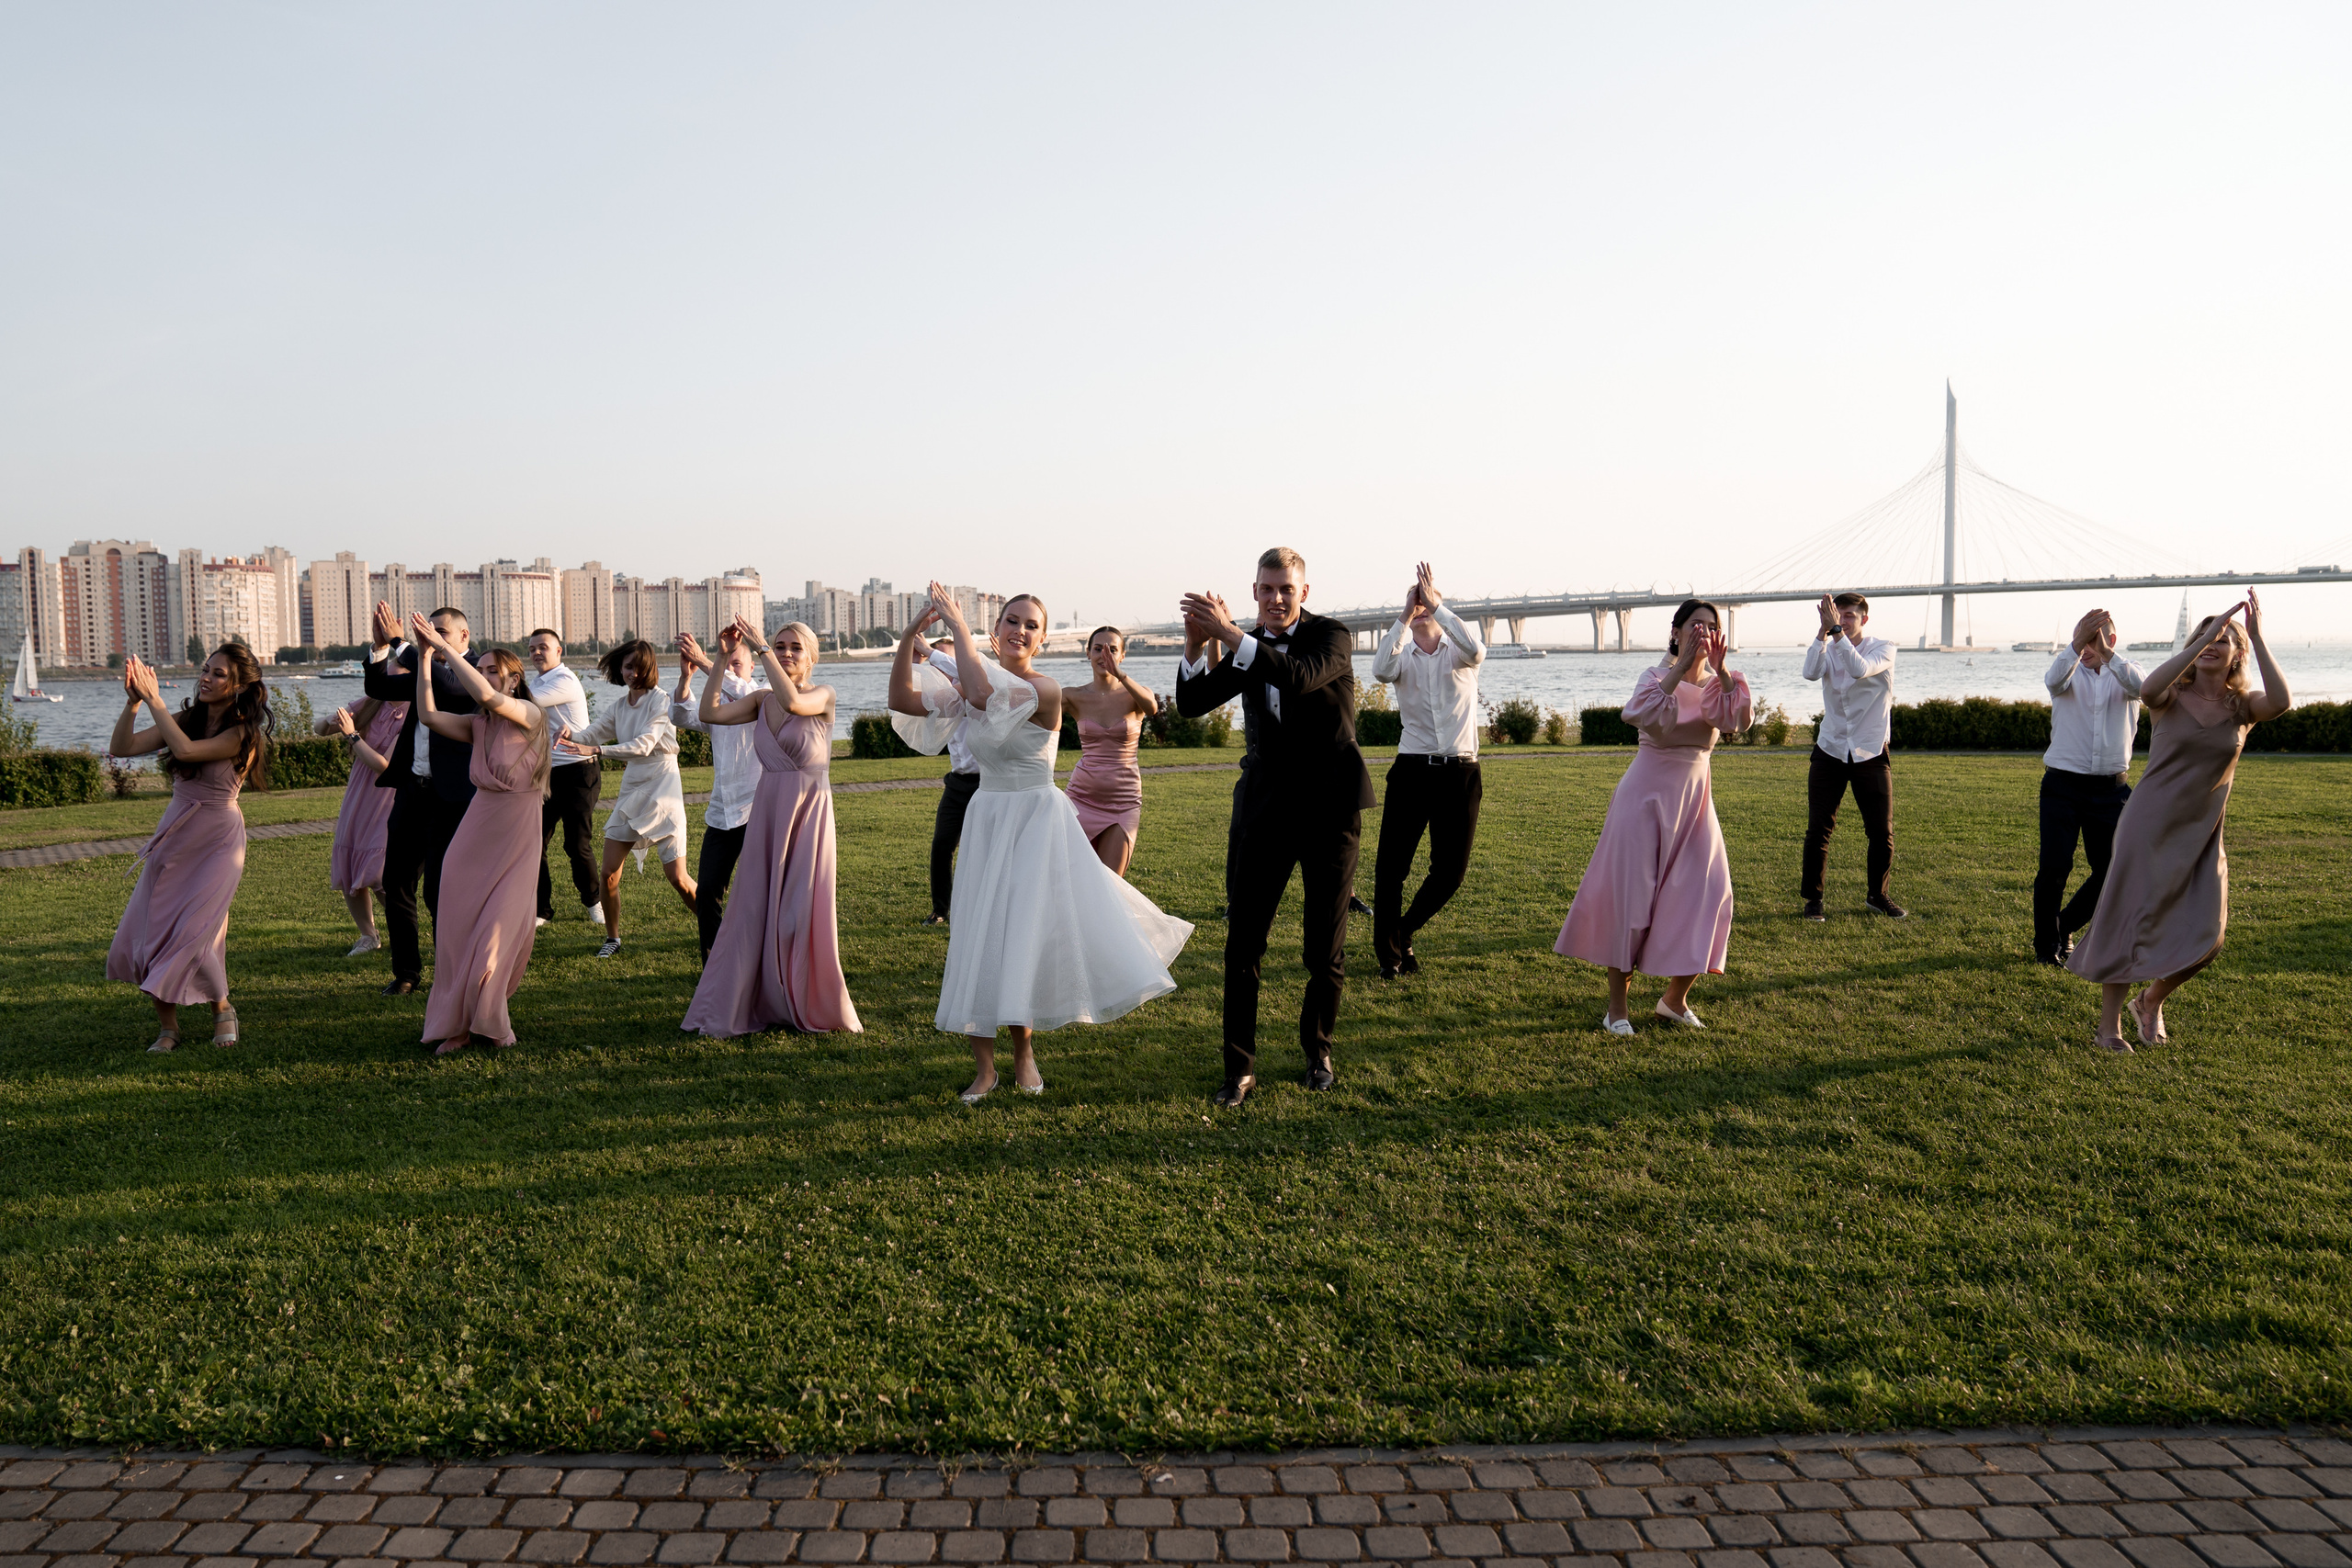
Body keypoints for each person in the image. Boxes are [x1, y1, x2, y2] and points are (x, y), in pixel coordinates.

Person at [891, 586, 1192, 1102]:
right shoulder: (971, 682)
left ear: (1043, 639)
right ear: (997, 631)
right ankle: (983, 1068)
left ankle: (1024, 1053)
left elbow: (988, 697)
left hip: (1035, 819)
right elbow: (902, 701)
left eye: (1031, 624)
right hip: (987, 817)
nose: (1020, 630)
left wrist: (957, 630)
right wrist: (906, 640)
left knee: (1023, 935)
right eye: (1011, 620)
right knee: (980, 933)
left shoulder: (1044, 691)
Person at [1175, 547, 1374, 1106]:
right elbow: (1192, 703)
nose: (1276, 598)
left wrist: (1232, 636)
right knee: (1242, 944)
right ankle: (1239, 1069)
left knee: (1322, 949)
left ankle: (1318, 1051)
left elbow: (1298, 676)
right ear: (1255, 592)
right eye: (1267, 589)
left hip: (1332, 809)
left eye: (1286, 589)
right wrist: (1196, 645)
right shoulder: (1250, 648)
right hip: (1264, 809)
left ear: (1303, 593)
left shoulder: (1332, 637)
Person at [2069, 595, 2290, 1053]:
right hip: (2147, 826)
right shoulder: (2170, 696)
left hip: (2203, 831)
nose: (2216, 642)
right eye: (2208, 636)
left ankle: (2150, 1001)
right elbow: (2148, 688)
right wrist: (2203, 639)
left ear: (2238, 655)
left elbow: (2283, 702)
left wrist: (2260, 636)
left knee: (2210, 933)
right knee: (2129, 921)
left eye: (2226, 638)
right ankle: (2107, 1029)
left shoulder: (2244, 706)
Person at [1555, 601, 1752, 1032]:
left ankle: (1673, 1001)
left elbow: (1736, 721)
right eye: (1694, 625)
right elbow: (1645, 715)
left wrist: (1719, 671)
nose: (1704, 632)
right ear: (1676, 631)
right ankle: (1617, 1010)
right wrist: (1680, 667)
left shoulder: (1726, 683)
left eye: (1712, 626)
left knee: (1711, 893)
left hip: (1696, 801)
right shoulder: (1653, 678)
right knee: (1630, 904)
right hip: (1644, 801)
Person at [681, 616, 862, 1037]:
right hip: (767, 812)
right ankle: (757, 997)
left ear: (812, 656)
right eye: (779, 646)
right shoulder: (761, 701)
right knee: (753, 912)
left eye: (794, 647)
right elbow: (708, 712)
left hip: (808, 815)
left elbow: (796, 705)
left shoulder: (823, 695)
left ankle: (802, 997)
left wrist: (760, 648)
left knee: (798, 913)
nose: (784, 653)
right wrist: (723, 660)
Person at [105, 645, 273, 1051]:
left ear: (239, 686)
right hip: (177, 832)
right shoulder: (187, 718)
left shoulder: (242, 733)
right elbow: (122, 749)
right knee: (158, 926)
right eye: (205, 670)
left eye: (218, 674)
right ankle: (168, 1028)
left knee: (198, 930)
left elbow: (186, 751)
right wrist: (133, 705)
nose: (206, 678)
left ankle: (221, 1007)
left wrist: (155, 700)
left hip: (218, 839)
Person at [407, 617, 553, 1055]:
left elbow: (488, 696)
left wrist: (445, 648)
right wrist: (427, 658)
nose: (486, 677)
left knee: (496, 935)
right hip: (473, 837)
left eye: (494, 670)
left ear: (514, 680)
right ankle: (460, 1025)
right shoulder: (478, 726)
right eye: (482, 667)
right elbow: (428, 716)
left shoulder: (531, 715)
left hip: (517, 840)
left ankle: (489, 1020)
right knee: (457, 933)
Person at [1368, 560, 1487, 979]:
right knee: (1391, 868)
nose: (1420, 606)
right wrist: (1404, 616)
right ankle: (1390, 955)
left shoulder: (1460, 654)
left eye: (1424, 601)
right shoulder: (1402, 658)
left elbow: (1476, 648)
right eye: (1415, 601)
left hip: (1460, 772)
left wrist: (1440, 606)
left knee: (1451, 871)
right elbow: (1380, 669)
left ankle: (1404, 929)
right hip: (1412, 771)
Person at [363, 602, 480, 996]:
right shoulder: (422, 666)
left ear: (463, 636)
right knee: (396, 882)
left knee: (440, 890)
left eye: (439, 633)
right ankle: (407, 973)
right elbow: (378, 688)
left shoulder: (478, 671)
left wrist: (403, 641)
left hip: (455, 797)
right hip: (413, 791)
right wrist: (381, 648)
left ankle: (452, 970)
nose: (428, 639)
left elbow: (449, 689)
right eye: (424, 632)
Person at [567, 638, 697, 958]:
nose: (633, 673)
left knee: (678, 878)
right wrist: (570, 736)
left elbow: (645, 744)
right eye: (628, 667)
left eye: (639, 667)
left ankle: (719, 927)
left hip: (663, 786)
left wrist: (598, 750)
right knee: (609, 873)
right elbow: (592, 733)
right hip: (632, 788)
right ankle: (613, 938)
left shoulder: (661, 701)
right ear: (620, 668)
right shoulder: (620, 706)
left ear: (650, 668)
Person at [2034, 608, 2144, 964]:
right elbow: (2052, 681)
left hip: (2112, 791)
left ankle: (2065, 925)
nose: (2085, 647)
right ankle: (2045, 947)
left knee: (2114, 870)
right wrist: (2075, 643)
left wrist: (2109, 656)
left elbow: (2144, 688)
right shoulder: (2066, 672)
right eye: (2080, 638)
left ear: (2111, 641)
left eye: (2093, 639)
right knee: (2054, 868)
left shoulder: (2128, 674)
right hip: (2062, 787)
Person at [1800, 591, 1905, 919]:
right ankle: (1813, 900)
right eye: (1837, 615)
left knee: (1880, 831)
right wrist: (1822, 634)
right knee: (1818, 829)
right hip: (1830, 748)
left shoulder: (1883, 648)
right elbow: (1810, 672)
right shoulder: (1829, 646)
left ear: (1864, 619)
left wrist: (1836, 634)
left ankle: (1878, 895)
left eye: (1848, 616)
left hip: (1870, 751)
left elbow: (1859, 669)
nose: (1841, 621)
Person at [673, 626, 770, 962]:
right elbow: (682, 716)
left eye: (736, 663)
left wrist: (707, 659)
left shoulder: (763, 695)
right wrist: (687, 679)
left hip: (758, 809)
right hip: (721, 813)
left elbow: (741, 691)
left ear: (753, 667)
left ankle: (760, 960)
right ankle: (714, 964)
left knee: (758, 894)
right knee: (708, 891)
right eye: (725, 665)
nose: (729, 669)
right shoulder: (716, 706)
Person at [1061, 625, 1159, 875]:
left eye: (1112, 650)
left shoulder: (1134, 695)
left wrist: (1121, 676)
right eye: (1097, 649)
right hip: (1080, 799)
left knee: (1112, 888)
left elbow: (1152, 708)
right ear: (1087, 653)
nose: (1104, 655)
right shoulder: (1073, 696)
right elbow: (1033, 704)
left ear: (1122, 655)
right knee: (1073, 881)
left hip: (1123, 803)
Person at [525, 627, 605, 931]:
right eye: (531, 648)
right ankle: (542, 909)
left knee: (576, 844)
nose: (536, 652)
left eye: (543, 647)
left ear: (559, 651)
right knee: (535, 843)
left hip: (578, 771)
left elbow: (523, 703)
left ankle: (594, 902)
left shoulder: (563, 681)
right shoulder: (538, 681)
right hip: (547, 775)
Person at [321, 694, 405, 955]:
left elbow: (384, 766)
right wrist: (329, 722)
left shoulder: (415, 712)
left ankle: (404, 931)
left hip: (387, 795)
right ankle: (368, 935)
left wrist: (352, 735)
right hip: (358, 792)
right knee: (350, 860)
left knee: (379, 873)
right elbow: (320, 728)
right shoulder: (373, 701)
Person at [910, 632, 980, 924]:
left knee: (982, 850)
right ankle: (941, 910)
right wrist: (916, 656)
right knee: (942, 846)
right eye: (939, 664)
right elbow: (910, 688)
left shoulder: (978, 689)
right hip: (957, 782)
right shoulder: (941, 697)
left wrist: (929, 651)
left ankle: (980, 909)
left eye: (952, 661)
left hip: (987, 783)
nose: (944, 669)